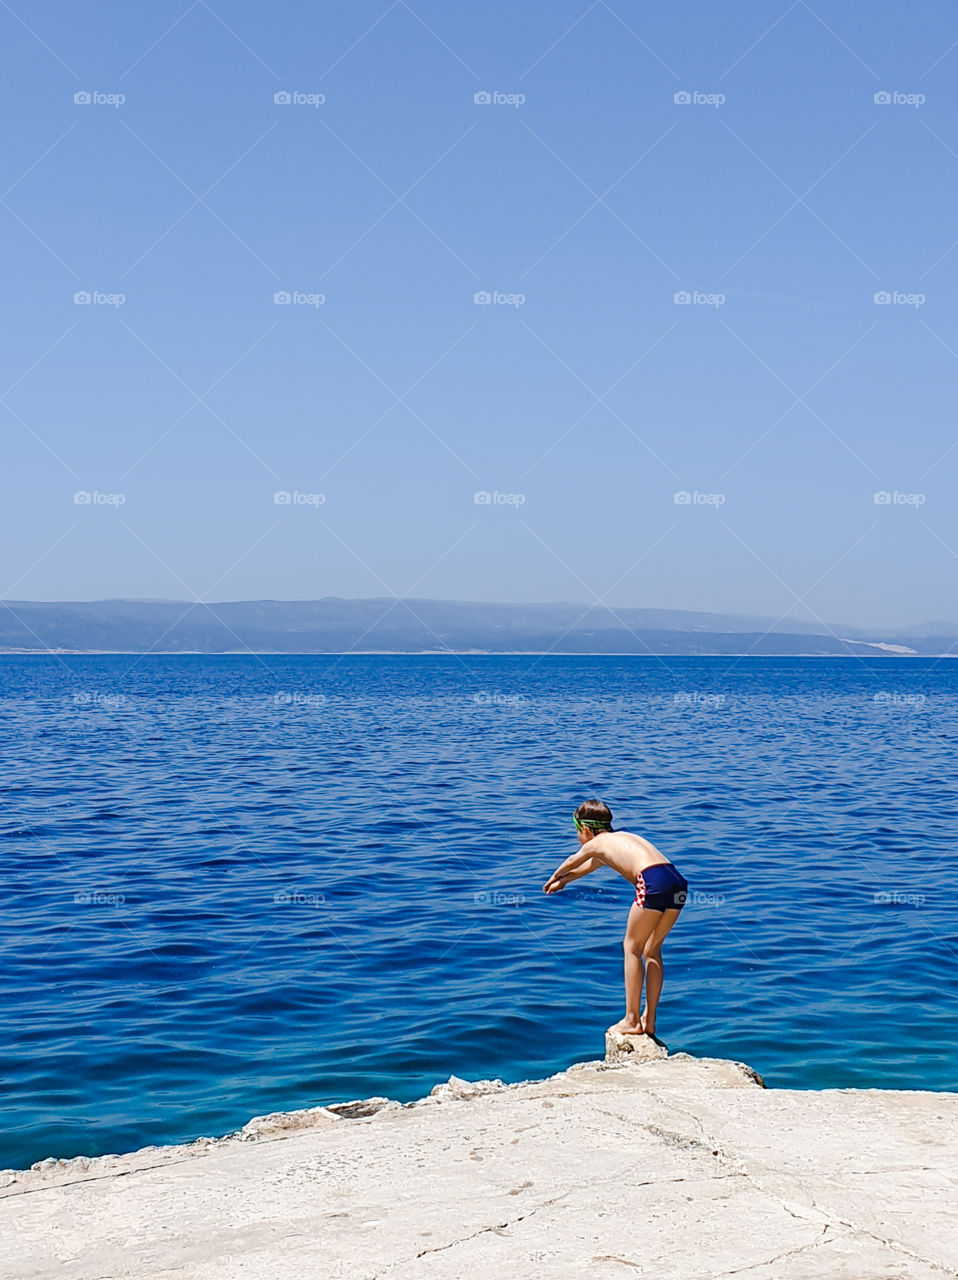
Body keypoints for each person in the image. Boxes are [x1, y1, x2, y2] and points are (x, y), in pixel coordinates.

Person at [543, 798, 688, 1037]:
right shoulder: (621, 839)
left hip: (651, 881)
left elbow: (573, 861)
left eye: (577, 832)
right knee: (652, 950)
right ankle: (649, 1020)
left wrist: (552, 878)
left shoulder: (596, 843)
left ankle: (631, 1020)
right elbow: (586, 867)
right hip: (676, 881)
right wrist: (564, 882)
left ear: (586, 830)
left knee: (631, 947)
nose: (578, 838)